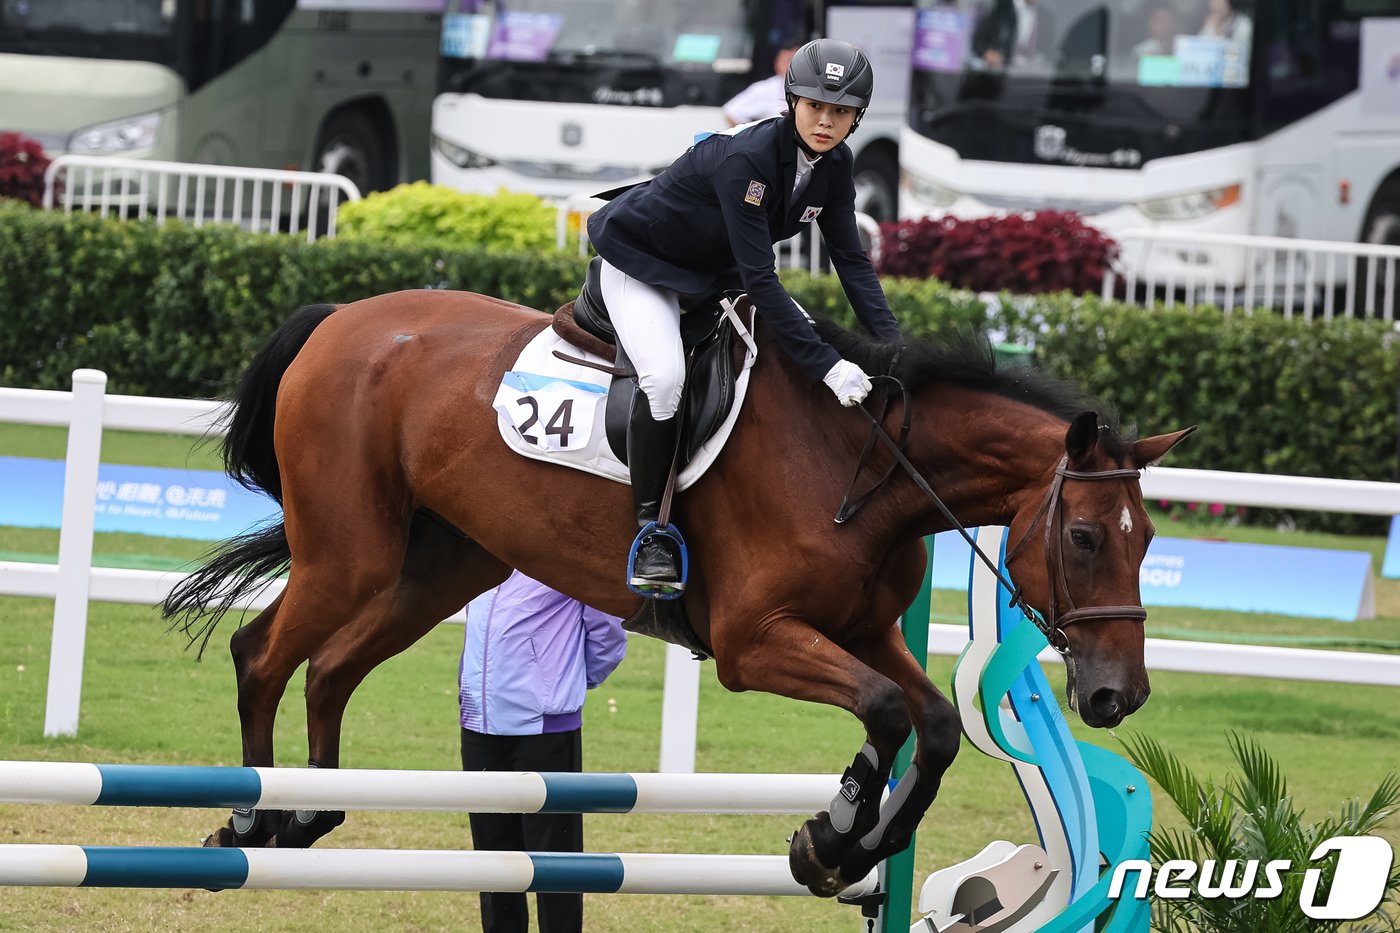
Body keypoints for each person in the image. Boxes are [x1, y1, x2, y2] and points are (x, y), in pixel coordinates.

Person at [585, 38, 903, 597]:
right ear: (790, 100)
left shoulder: (836, 165)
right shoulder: (749, 160)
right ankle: (652, 533)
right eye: (815, 107)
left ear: (857, 118)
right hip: (644, 263)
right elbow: (762, 281)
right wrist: (829, 367)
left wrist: (895, 346)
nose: (826, 122)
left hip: (711, 273)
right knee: (664, 381)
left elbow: (851, 260)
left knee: (781, 360)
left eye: (841, 112)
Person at [459, 570, 628, 933]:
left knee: (557, 865)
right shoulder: (478, 553)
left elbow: (608, 633)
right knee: (493, 865)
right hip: (479, 725)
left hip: (546, 728)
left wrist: (564, 685)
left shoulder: (558, 553)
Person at [722, 42, 801, 127]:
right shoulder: (765, 89)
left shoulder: (811, 87)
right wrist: (751, 137)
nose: (789, 65)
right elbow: (731, 112)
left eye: (793, 61)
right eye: (785, 60)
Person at [971, 0, 1055, 71]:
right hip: (1000, 74)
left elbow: (1048, 52)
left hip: (1031, 75)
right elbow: (978, 42)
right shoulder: (999, 8)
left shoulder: (1046, 16)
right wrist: (987, 53)